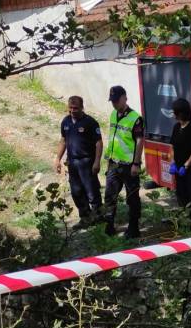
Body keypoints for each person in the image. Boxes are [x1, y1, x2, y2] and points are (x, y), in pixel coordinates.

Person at [101, 85, 145, 238]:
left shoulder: (135, 118)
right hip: (114, 163)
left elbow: (140, 141)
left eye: (116, 100)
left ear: (124, 98)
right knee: (110, 196)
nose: (114, 104)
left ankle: (133, 228)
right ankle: (109, 226)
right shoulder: (113, 114)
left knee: (132, 198)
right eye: (112, 101)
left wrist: (136, 163)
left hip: (128, 165)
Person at [54, 95, 102, 229]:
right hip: (72, 163)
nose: (73, 111)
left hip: (87, 162)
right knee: (76, 191)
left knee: (91, 191)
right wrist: (58, 158)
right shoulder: (66, 122)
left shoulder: (90, 122)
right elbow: (63, 140)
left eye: (76, 108)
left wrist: (97, 162)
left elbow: (98, 143)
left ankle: (98, 217)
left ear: (82, 107)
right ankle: (85, 218)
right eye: (70, 108)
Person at [167, 98, 191, 208]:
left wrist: (186, 165)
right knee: (180, 195)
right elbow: (172, 146)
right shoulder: (176, 127)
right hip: (178, 169)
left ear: (181, 113)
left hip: (190, 170)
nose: (173, 115)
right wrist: (172, 162)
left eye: (175, 112)